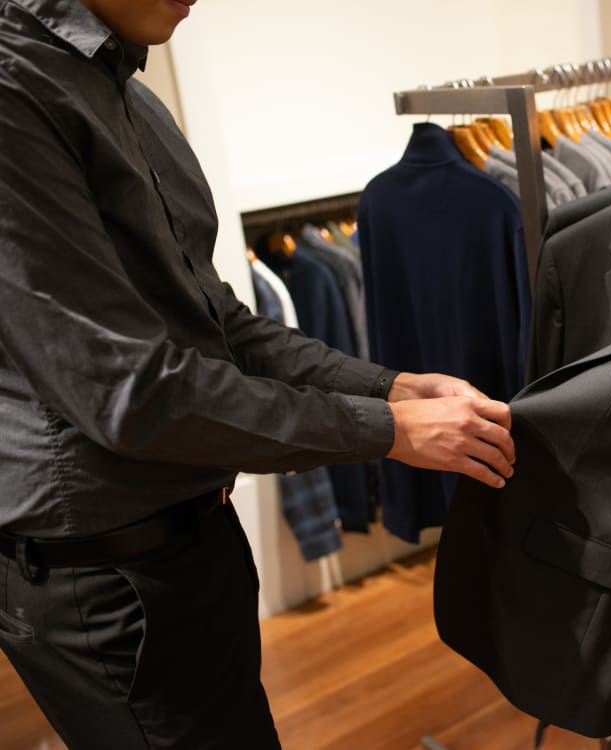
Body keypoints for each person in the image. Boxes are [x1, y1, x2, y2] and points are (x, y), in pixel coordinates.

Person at [0, 0, 515, 747]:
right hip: (102, 579)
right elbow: (133, 394)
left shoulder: (124, 90)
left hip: (189, 540)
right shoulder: (17, 93)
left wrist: (389, 387)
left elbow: (220, 325)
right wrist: (388, 429)